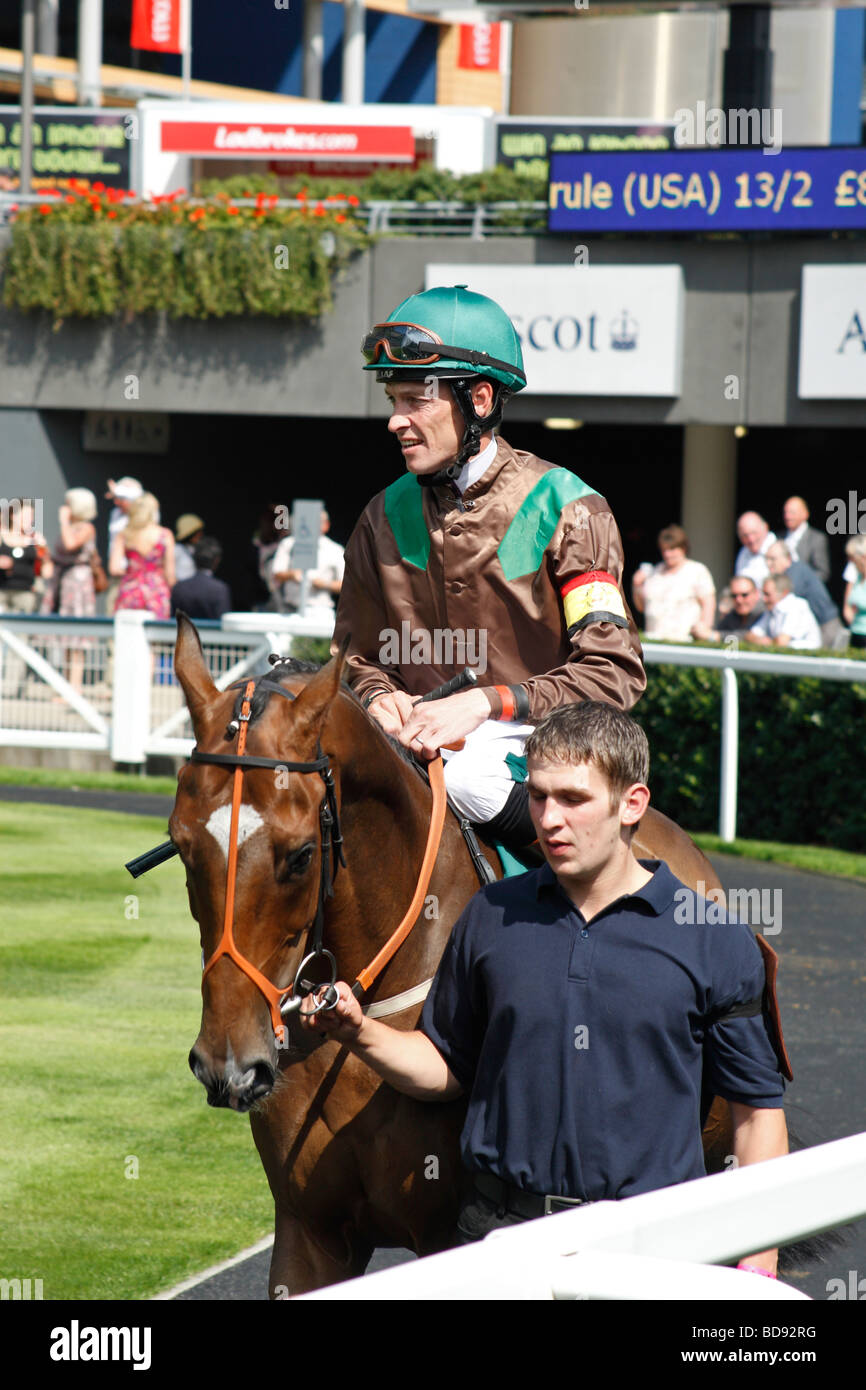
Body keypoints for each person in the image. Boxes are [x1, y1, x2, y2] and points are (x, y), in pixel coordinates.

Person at [301, 702, 788, 1272]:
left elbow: (756, 1117)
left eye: (573, 799)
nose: (550, 819)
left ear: (632, 803)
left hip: (653, 1251)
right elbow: (444, 1068)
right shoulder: (490, 915)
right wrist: (359, 1030)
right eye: (538, 797)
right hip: (499, 1245)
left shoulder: (713, 939)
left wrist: (759, 1265)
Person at [332, 285, 645, 847]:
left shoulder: (569, 510)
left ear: (478, 401)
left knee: (466, 775)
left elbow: (612, 673)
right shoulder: (380, 516)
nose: (395, 422)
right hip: (416, 743)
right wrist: (381, 697)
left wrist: (484, 704)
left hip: (546, 749)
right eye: (393, 402)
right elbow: (357, 657)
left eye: (415, 401)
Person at [40, 489, 99, 692]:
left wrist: (64, 522)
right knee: (65, 637)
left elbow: (70, 544)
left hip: (78, 585)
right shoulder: (71, 527)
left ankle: (75, 687)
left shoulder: (87, 528)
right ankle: (66, 687)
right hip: (62, 583)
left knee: (77, 638)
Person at [630, 524, 716, 642]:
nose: (667, 554)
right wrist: (637, 585)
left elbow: (708, 604)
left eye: (672, 549)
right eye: (664, 550)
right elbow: (642, 607)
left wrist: (704, 632)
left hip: (684, 642)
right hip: (654, 639)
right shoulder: (654, 572)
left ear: (683, 548)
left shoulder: (697, 571)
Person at [764, 540, 844, 649]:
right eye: (766, 559)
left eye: (773, 559)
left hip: (826, 625)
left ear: (787, 559)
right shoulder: (787, 574)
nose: (768, 563)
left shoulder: (795, 573)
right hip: (816, 627)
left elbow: (783, 602)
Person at [110, 492, 175, 619]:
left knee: (126, 633)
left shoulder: (124, 534)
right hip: (157, 590)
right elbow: (170, 575)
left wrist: (133, 572)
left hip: (130, 589)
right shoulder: (165, 535)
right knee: (157, 635)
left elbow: (113, 569)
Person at [272, 510, 345, 615]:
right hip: (289, 609)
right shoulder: (288, 544)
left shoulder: (335, 549)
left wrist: (325, 584)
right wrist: (292, 575)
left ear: (326, 525)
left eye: (316, 522)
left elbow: (346, 584)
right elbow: (276, 573)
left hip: (320, 611)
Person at [750, 573, 821, 650]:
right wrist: (763, 640)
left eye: (767, 594)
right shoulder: (771, 608)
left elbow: (782, 642)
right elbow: (750, 635)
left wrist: (764, 641)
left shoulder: (796, 606)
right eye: (763, 593)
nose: (763, 599)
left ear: (784, 593)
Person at [171, 537, 232, 620]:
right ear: (216, 561)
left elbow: (173, 622)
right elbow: (223, 622)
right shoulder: (219, 589)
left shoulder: (179, 588)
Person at [691, 575, 765, 642]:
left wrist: (714, 636)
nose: (739, 600)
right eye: (734, 596)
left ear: (756, 593)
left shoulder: (764, 613)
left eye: (744, 595)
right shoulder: (731, 616)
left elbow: (749, 637)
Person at [781, 496, 830, 584]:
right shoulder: (779, 538)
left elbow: (822, 573)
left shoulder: (816, 538)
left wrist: (801, 584)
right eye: (785, 512)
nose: (787, 516)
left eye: (792, 512)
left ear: (805, 514)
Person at [734, 512, 776, 587]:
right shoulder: (743, 553)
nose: (751, 539)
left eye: (754, 533)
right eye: (745, 535)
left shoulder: (779, 548)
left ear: (766, 527)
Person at [842, 535, 866, 649]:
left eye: (852, 557)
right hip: (856, 634)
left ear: (863, 557)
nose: (850, 561)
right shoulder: (857, 578)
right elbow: (848, 607)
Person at [173, 514, 205, 584]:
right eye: (198, 533)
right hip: (180, 588)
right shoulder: (176, 550)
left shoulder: (196, 550)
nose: (201, 535)